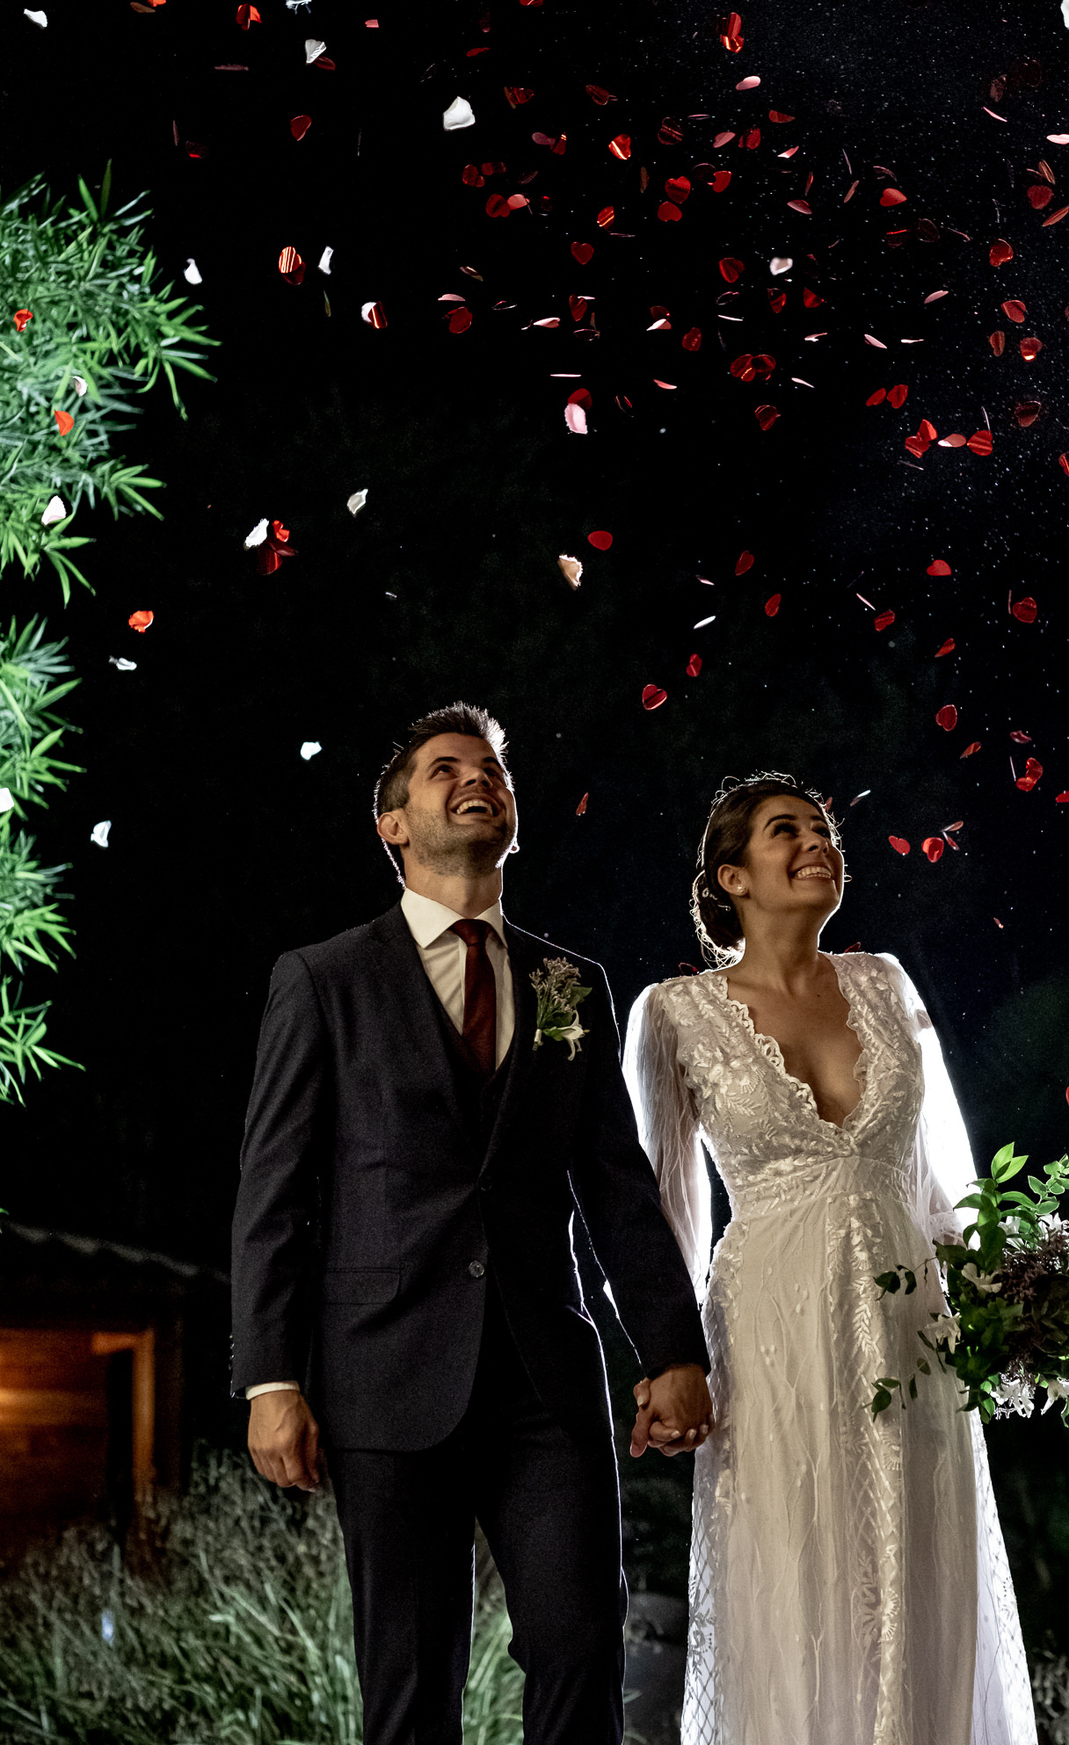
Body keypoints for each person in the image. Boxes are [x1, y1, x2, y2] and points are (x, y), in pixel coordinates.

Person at [230, 702, 713, 1745]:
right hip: (383, 1371)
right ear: (393, 823)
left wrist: (673, 1349)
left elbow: (619, 1190)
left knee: (583, 1643)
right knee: (412, 1679)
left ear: (514, 815)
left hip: (547, 1380)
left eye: (492, 767)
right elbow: (275, 1194)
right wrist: (272, 1381)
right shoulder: (322, 981)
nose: (476, 779)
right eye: (445, 769)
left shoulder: (567, 983)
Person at [624, 773, 1038, 1745]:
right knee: (798, 1582)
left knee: (921, 1583)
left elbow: (949, 1180)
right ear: (732, 876)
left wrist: (1011, 1300)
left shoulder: (887, 984)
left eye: (822, 830)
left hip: (914, 1340)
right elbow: (663, 1212)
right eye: (786, 832)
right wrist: (666, 1361)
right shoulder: (673, 1015)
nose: (816, 843)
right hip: (771, 1346)